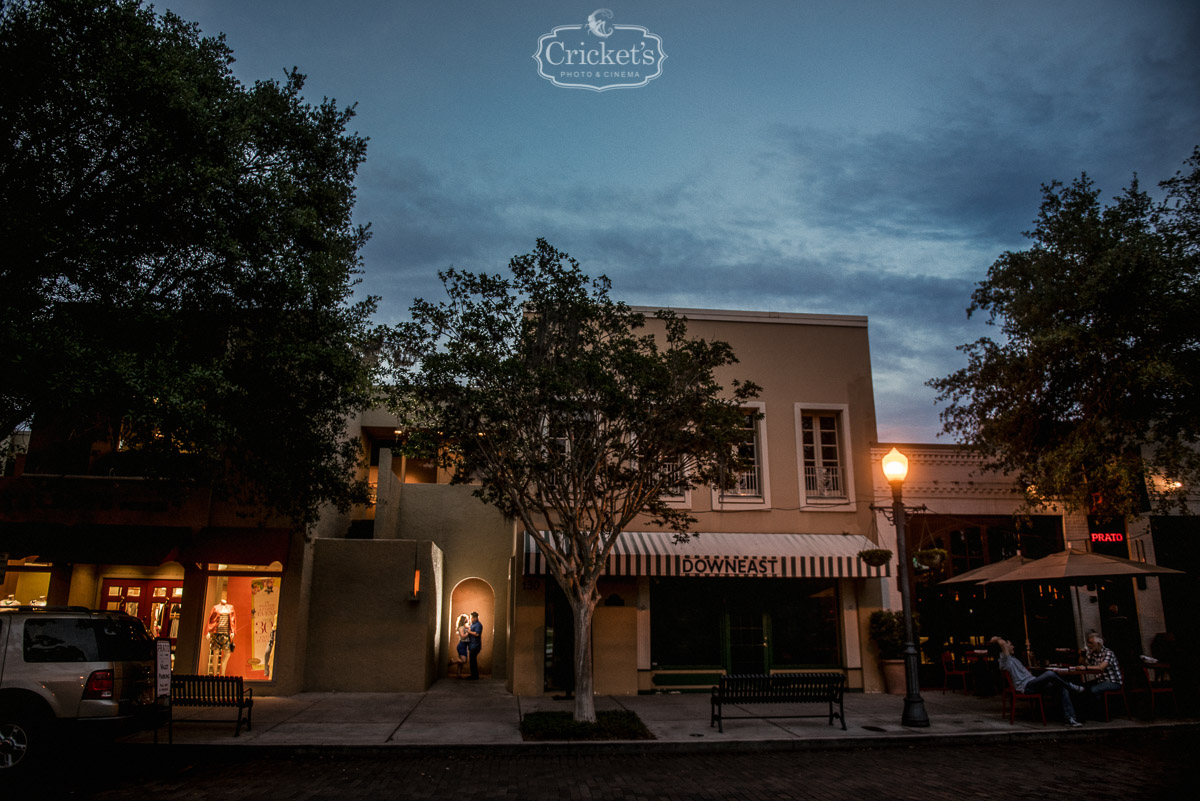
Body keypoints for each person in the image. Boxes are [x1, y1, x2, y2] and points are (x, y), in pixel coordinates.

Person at [990, 636, 1086, 727]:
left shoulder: (1013, 659)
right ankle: (1071, 687)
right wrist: (997, 640)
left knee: (1061, 686)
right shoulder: (1005, 660)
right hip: (1027, 687)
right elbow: (1001, 643)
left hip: (1033, 683)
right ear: (1005, 648)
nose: (1013, 646)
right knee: (1050, 674)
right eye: (1010, 644)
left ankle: (1070, 718)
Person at [1080, 633, 1123, 717]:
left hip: (1113, 682)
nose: (1089, 645)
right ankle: (1089, 712)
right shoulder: (1093, 653)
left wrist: (1086, 668)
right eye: (1088, 643)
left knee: (1093, 690)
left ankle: (1102, 713)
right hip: (1100, 680)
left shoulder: (1108, 653)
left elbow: (1101, 667)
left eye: (1091, 643)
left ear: (1098, 644)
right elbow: (1082, 663)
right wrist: (1082, 655)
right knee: (1082, 687)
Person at [452, 613, 470, 678]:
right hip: (461, 646)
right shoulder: (461, 627)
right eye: (466, 618)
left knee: (461, 662)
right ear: (463, 619)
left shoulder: (465, 626)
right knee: (463, 660)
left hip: (465, 646)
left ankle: (458, 674)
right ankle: (452, 661)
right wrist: (468, 633)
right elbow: (462, 636)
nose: (468, 619)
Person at [467, 611, 483, 680]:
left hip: (475, 645)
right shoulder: (472, 624)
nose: (470, 619)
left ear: (475, 618)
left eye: (471, 618)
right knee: (472, 661)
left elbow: (477, 634)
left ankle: (475, 676)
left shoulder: (478, 625)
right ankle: (473, 675)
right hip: (472, 645)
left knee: (473, 661)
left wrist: (469, 632)